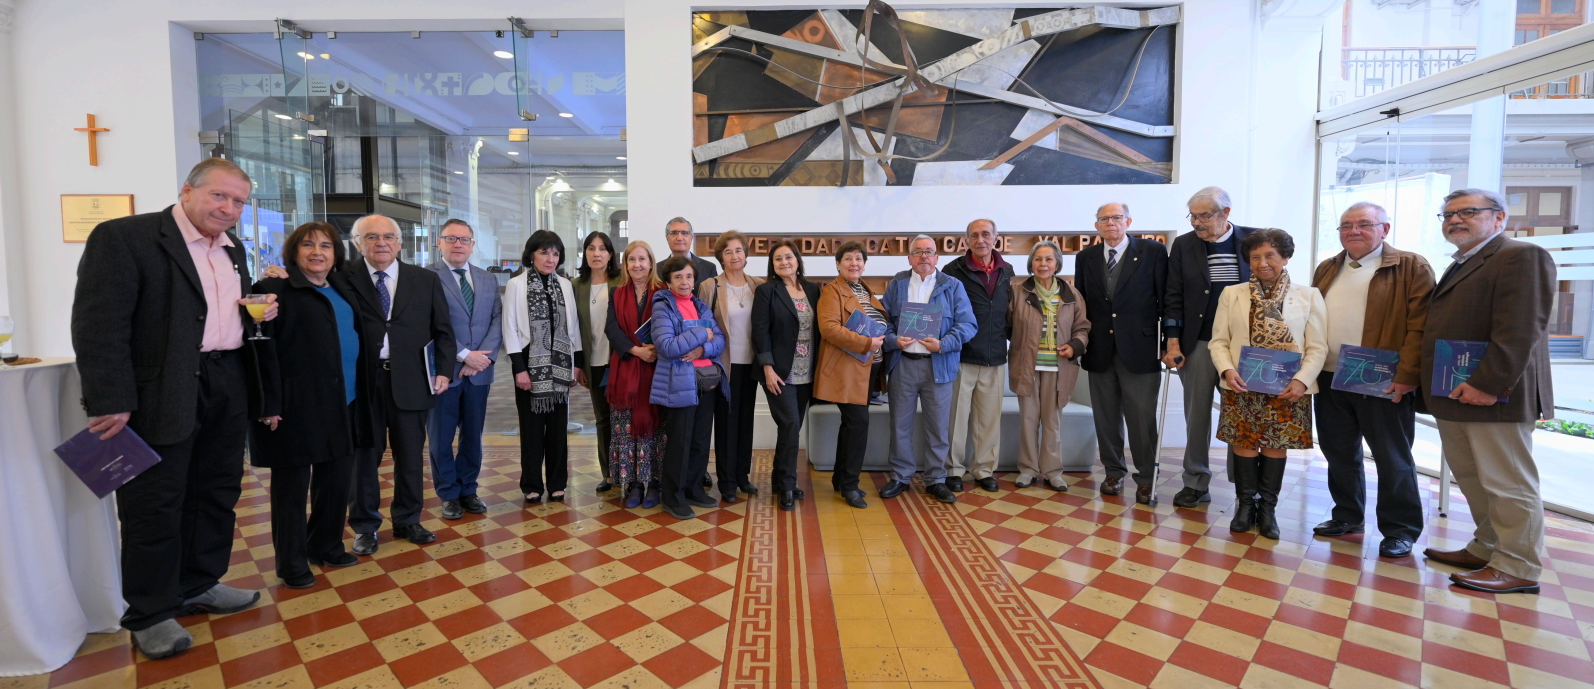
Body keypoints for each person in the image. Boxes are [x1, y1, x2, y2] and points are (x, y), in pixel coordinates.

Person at [71, 158, 279, 658]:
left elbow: (213, 314)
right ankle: (150, 611)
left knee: (216, 491)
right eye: (219, 196)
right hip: (161, 389)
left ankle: (198, 583)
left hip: (226, 380)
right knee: (155, 502)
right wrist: (111, 399)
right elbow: (99, 324)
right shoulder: (126, 237)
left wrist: (258, 310)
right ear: (187, 191)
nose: (228, 208)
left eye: (239, 201)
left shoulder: (233, 249)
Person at [1419, 189, 1555, 594]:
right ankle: (1488, 547)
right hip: (1457, 392)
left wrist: (1488, 384)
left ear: (1499, 218)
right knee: (1473, 478)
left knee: (1508, 482)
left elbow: (1520, 329)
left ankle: (1518, 565)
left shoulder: (1521, 256)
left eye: (1468, 212)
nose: (1454, 220)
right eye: (1448, 215)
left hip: (1496, 396)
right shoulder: (1463, 262)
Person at [1310, 202, 1433, 559]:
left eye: (1364, 224)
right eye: (1346, 225)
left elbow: (1421, 327)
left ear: (1385, 229)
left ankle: (1400, 529)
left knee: (1392, 456)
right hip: (1330, 375)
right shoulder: (1328, 267)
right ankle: (1347, 515)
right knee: (1338, 451)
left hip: (1382, 378)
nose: (1354, 231)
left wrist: (1408, 375)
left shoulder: (1411, 266)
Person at [249, 222, 367, 589]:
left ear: (337, 254)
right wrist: (267, 403)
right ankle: (292, 562)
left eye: (326, 246)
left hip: (344, 400)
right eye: (308, 245)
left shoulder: (342, 286)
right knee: (292, 488)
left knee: (336, 480)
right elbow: (260, 348)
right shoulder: (272, 289)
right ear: (292, 251)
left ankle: (326, 545)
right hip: (295, 404)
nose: (318, 252)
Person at [343, 215, 455, 556]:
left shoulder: (424, 279)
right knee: (364, 457)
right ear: (358, 243)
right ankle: (365, 526)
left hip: (412, 379)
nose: (381, 243)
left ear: (400, 242)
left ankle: (408, 519)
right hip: (364, 382)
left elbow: (443, 330)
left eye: (389, 236)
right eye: (372, 237)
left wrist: (444, 371)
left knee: (410, 456)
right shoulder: (342, 277)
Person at [1208, 228, 1328, 541]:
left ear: (1285, 258)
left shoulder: (1309, 295)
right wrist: (1227, 370)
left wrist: (1302, 380)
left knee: (1276, 445)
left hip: (1288, 389)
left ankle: (1268, 510)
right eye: (1255, 257)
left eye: (1270, 255)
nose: (1262, 263)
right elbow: (1219, 341)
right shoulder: (1232, 294)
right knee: (1245, 443)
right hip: (1242, 384)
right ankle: (1245, 506)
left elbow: (1318, 347)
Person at [1163, 187, 1256, 508]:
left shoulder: (1254, 240)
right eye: (1193, 216)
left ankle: (1244, 485)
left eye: (1203, 216)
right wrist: (1172, 342)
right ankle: (1195, 482)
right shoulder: (1184, 245)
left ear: (1225, 213)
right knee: (1197, 414)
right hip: (1198, 341)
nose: (1196, 223)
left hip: (1243, 345)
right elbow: (1173, 295)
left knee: (1239, 414)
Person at [1074, 203, 1168, 503]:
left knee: (1142, 418)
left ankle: (1146, 478)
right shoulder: (1085, 257)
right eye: (1104, 219)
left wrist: (1170, 342)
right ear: (1097, 225)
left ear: (1128, 221)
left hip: (1141, 350)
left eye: (1116, 218)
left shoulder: (1153, 252)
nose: (1111, 223)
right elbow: (1081, 306)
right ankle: (1113, 473)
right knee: (1106, 418)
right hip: (1099, 350)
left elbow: (1166, 301)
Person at [880, 235, 977, 504]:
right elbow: (883, 322)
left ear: (937, 258)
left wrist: (943, 344)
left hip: (938, 366)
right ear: (909, 258)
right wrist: (893, 340)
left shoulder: (953, 286)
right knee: (900, 425)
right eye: (918, 252)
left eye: (929, 252)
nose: (924, 256)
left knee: (938, 428)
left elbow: (968, 325)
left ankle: (936, 480)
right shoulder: (897, 285)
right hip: (903, 364)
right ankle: (900, 477)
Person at [427, 219, 502, 521]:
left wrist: (482, 359)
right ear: (439, 242)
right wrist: (464, 355)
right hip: (444, 371)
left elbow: (497, 319)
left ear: (473, 245)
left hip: (479, 371)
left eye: (464, 239)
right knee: (441, 436)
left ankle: (468, 489)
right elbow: (427, 323)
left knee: (473, 435)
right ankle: (448, 493)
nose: (458, 244)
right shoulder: (426, 277)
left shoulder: (487, 279)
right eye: (451, 238)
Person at [503, 230, 583, 504]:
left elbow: (573, 327)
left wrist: (576, 364)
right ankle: (532, 484)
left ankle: (558, 483)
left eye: (555, 253)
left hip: (559, 364)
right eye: (544, 252)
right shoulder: (517, 284)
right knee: (531, 430)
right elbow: (510, 328)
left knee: (558, 430)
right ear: (532, 255)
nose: (550, 259)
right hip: (528, 364)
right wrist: (519, 369)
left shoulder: (565, 285)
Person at [1007, 241, 1092, 492]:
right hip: (1027, 367)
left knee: (1052, 422)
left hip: (1059, 368)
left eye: (1049, 259)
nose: (1043, 264)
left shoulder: (1070, 294)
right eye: (1038, 259)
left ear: (1057, 264)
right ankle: (1027, 470)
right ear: (1031, 263)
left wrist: (1074, 346)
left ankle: (1053, 472)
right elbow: (1008, 324)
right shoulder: (1018, 291)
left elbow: (1082, 328)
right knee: (1028, 420)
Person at [651, 256, 728, 519]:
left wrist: (702, 349)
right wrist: (701, 334)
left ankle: (695, 489)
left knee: (700, 440)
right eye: (678, 277)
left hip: (706, 381)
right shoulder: (662, 306)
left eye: (689, 276)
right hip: (680, 383)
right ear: (668, 282)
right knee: (680, 443)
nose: (685, 282)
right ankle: (673, 497)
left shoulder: (700, 305)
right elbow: (667, 346)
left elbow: (720, 339)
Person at [815, 241, 888, 509]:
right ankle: (850, 485)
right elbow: (829, 329)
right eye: (848, 259)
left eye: (859, 259)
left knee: (852, 425)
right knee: (858, 424)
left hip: (869, 370)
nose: (854, 263)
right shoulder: (832, 291)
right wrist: (867, 343)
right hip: (847, 369)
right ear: (838, 264)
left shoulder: (866, 290)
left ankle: (840, 479)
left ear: (864, 265)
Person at [942, 218, 1013, 493]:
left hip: (995, 356)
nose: (980, 240)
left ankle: (984, 470)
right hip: (961, 356)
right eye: (974, 235)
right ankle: (953, 470)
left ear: (995, 238)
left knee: (989, 420)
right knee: (955, 419)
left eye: (985, 234)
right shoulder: (952, 271)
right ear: (967, 240)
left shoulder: (1007, 270)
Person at [752, 240, 820, 511]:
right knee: (790, 423)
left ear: (797, 260)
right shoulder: (767, 291)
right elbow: (760, 331)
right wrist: (767, 368)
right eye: (778, 259)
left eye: (788, 257)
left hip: (808, 372)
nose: (784, 262)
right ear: (773, 265)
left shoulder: (813, 290)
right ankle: (788, 486)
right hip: (779, 373)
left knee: (791, 427)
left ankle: (781, 481)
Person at [698, 230, 765, 503]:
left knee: (745, 420)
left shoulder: (758, 285)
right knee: (726, 422)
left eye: (739, 250)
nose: (734, 256)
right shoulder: (710, 286)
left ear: (746, 255)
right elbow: (702, 327)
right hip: (723, 365)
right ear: (721, 257)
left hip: (751, 364)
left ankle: (742, 475)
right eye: (728, 252)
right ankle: (726, 481)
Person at [606, 241, 668, 509]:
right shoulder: (617, 293)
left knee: (656, 428)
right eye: (632, 259)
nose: (637, 265)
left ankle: (654, 484)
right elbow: (611, 328)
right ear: (626, 264)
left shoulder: (664, 292)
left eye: (642, 259)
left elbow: (671, 326)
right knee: (627, 430)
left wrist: (652, 350)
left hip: (657, 370)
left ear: (651, 263)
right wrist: (636, 351)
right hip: (626, 370)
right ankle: (634, 484)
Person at [576, 231, 624, 493]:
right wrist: (579, 364)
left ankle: (628, 470)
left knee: (623, 418)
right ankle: (608, 474)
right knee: (603, 420)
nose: (597, 254)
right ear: (585, 253)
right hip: (592, 362)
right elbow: (573, 328)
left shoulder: (622, 280)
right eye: (591, 248)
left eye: (602, 249)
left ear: (610, 254)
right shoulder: (576, 285)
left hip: (620, 360)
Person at [659, 216, 718, 289]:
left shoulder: (709, 268)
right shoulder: (656, 270)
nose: (680, 238)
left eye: (684, 233)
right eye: (674, 233)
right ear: (667, 238)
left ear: (691, 238)